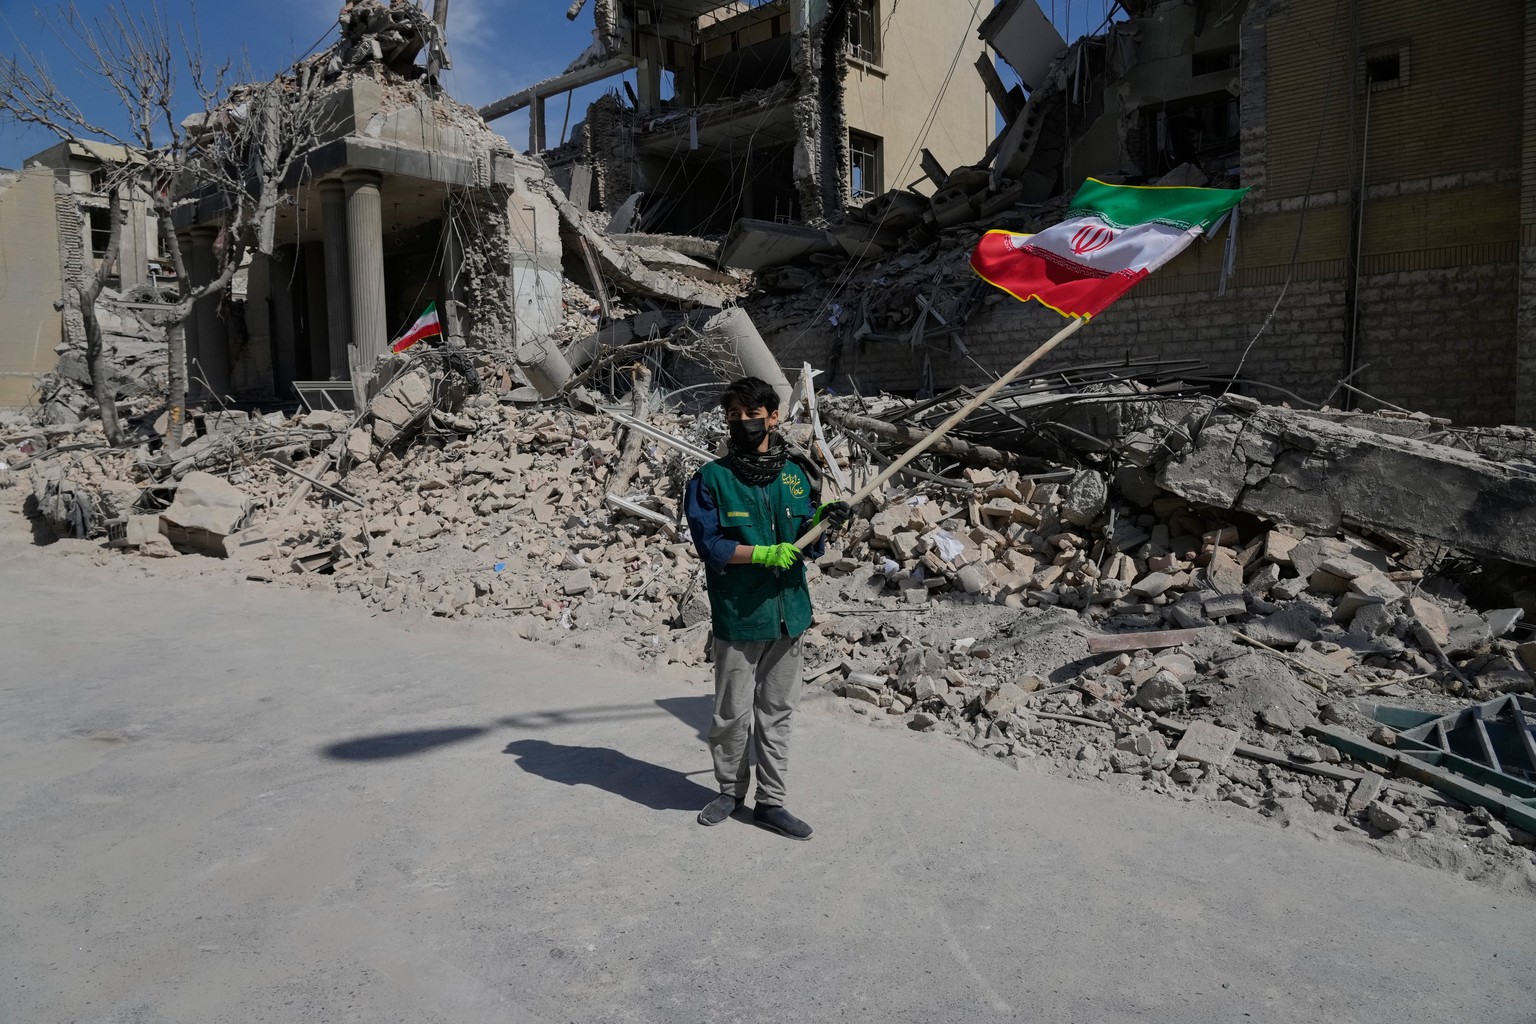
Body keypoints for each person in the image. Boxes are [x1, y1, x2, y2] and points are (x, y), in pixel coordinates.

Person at [683, 376, 851, 840]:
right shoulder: (710, 480)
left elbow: (808, 545)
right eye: (733, 416)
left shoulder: (797, 475)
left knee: (776, 713)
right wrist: (760, 554)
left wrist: (824, 523)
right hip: (739, 613)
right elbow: (709, 544)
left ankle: (770, 802)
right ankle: (729, 791)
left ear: (773, 417)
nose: (742, 423)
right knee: (731, 713)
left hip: (789, 613)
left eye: (751, 415)